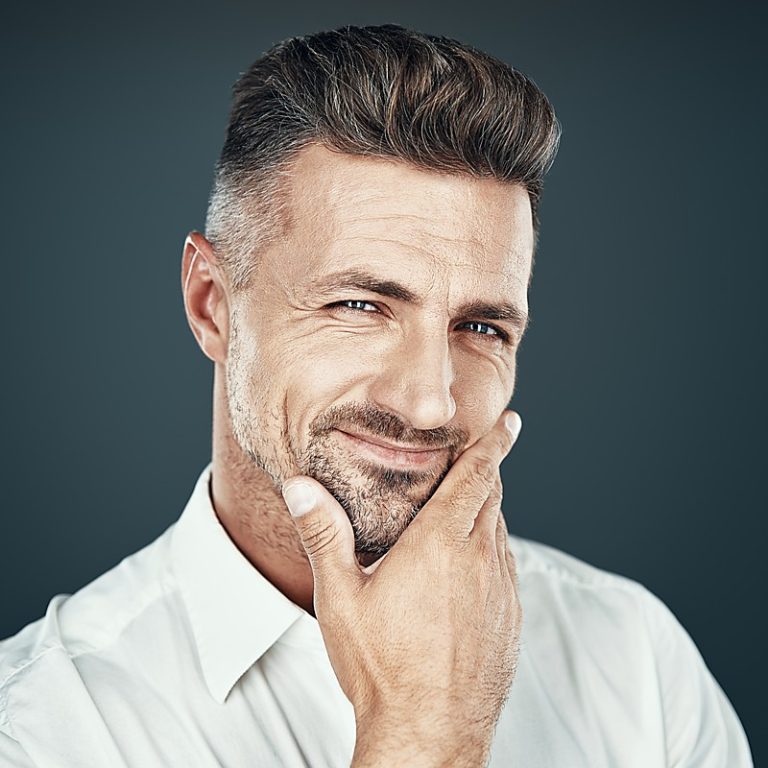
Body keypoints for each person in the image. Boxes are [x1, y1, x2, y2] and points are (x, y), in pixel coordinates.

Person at [0, 23, 753, 768]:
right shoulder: (39, 728)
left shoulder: (636, 662)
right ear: (212, 306)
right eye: (359, 306)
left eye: (482, 326)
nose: (430, 404)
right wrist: (425, 736)